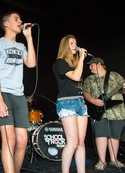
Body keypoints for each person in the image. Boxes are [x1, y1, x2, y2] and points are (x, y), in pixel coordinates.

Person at [0, 11, 37, 173]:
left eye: (20, 19)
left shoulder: (21, 46)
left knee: (22, 140)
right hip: (2, 93)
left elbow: (31, 64)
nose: (20, 21)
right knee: (9, 138)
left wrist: (29, 37)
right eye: (16, 19)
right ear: (6, 24)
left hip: (19, 95)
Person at [52, 34, 89, 173]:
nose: (75, 46)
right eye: (72, 43)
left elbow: (79, 83)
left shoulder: (74, 64)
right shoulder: (60, 62)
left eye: (76, 43)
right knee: (72, 142)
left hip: (80, 102)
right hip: (67, 103)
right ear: (65, 46)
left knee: (81, 142)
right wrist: (81, 58)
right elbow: (76, 76)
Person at [83, 57, 125, 170]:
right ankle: (101, 161)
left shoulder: (115, 75)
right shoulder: (89, 79)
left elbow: (123, 90)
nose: (89, 67)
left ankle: (114, 160)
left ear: (99, 64)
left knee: (114, 136)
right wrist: (93, 100)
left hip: (117, 111)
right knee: (100, 134)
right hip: (98, 112)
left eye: (91, 65)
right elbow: (85, 93)